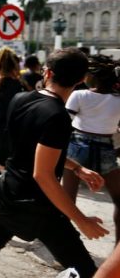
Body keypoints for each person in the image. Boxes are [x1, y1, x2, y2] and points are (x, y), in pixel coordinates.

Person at [0, 48, 107, 278]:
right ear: (82, 80)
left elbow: (29, 151)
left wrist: (76, 167)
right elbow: (43, 175)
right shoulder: (57, 116)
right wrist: (81, 220)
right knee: (87, 270)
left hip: (8, 194)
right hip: (38, 207)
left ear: (47, 72)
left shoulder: (20, 99)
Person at [61, 55, 120, 241]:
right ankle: (117, 249)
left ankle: (64, 244)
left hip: (77, 146)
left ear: (91, 77)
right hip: (106, 149)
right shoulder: (118, 99)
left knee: (67, 201)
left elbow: (63, 124)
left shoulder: (79, 95)